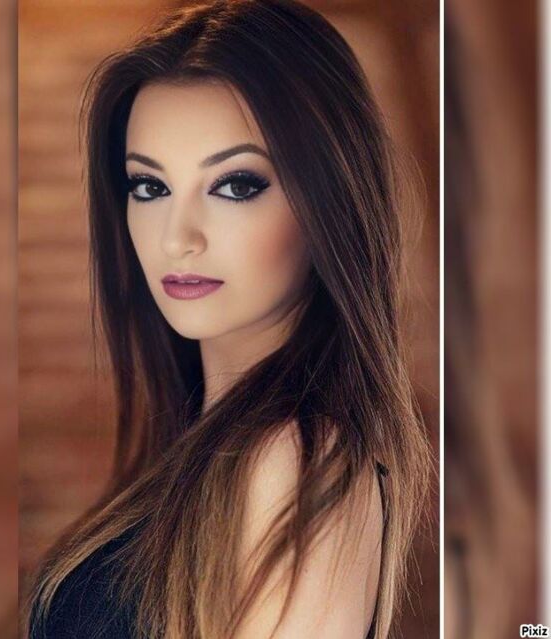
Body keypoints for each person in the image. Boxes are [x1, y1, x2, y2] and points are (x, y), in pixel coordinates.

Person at [25, 1, 431, 637]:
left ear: (329, 201)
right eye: (150, 187)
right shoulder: (207, 450)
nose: (177, 238)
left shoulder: (298, 456)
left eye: (236, 185)